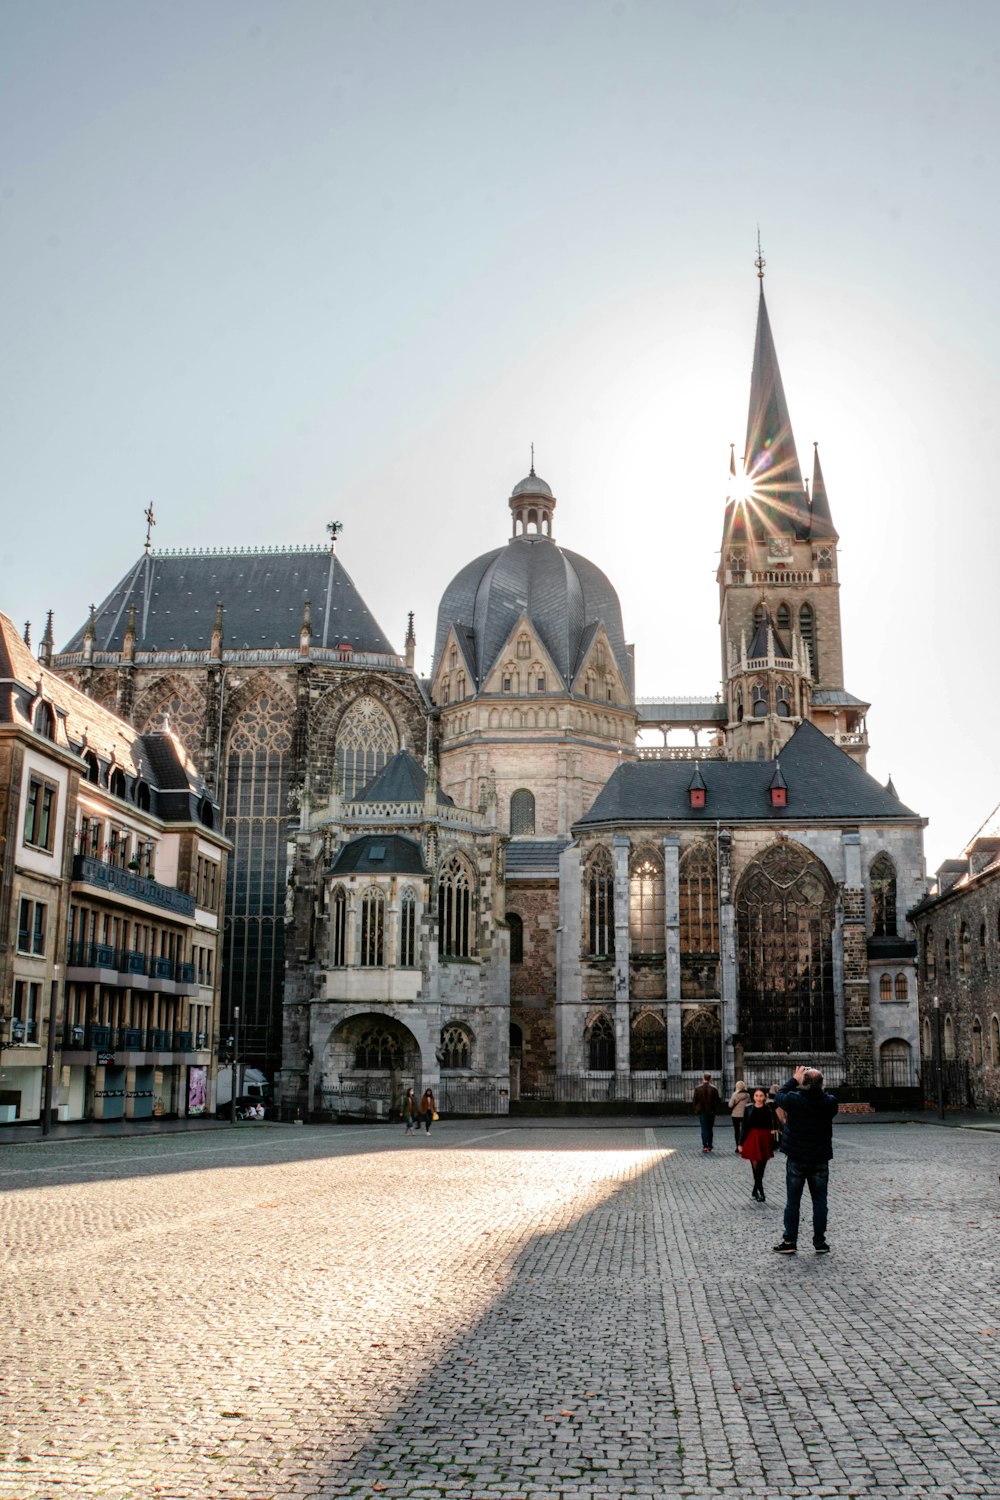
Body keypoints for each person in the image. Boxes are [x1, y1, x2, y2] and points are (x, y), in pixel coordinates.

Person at [772, 1065, 839, 1255]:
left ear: (804, 1082)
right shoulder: (830, 1103)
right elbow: (829, 1097)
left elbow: (779, 1094)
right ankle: (820, 1242)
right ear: (821, 1084)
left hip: (797, 1157)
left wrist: (794, 1079)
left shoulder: (794, 1100)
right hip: (819, 1158)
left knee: (793, 1201)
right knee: (820, 1202)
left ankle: (790, 1241)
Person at [739, 1087, 781, 1201]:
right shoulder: (749, 1108)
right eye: (756, 1096)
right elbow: (744, 1127)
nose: (758, 1098)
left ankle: (755, 1189)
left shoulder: (769, 1107)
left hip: (765, 1138)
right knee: (755, 1167)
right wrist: (740, 1143)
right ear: (753, 1097)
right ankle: (760, 1191)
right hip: (752, 1138)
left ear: (765, 1096)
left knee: (762, 1167)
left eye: (761, 1096)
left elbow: (777, 1114)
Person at [691, 1072, 720, 1153]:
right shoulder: (714, 1088)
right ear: (710, 1078)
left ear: (703, 1078)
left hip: (701, 1111)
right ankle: (710, 1145)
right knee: (710, 1128)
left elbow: (694, 1100)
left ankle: (705, 1146)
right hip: (711, 1111)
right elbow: (718, 1100)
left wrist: (696, 1109)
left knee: (704, 1129)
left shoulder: (698, 1088)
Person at [727, 1080, 751, 1153]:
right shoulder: (747, 1095)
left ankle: (738, 1146)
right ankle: (744, 1145)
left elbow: (730, 1105)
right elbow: (749, 1104)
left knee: (737, 1131)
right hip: (745, 1114)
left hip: (735, 1115)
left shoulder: (735, 1095)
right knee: (745, 1130)